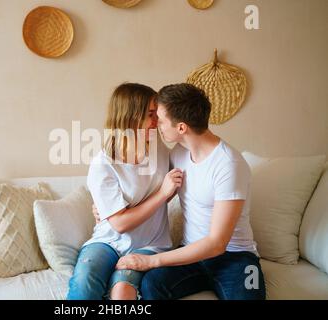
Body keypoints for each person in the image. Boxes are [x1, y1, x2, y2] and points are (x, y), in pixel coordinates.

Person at [114, 83, 266, 300]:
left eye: (161, 119)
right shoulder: (178, 153)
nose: (156, 124)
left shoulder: (229, 164)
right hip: (190, 254)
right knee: (151, 285)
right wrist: (108, 207)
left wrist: (152, 260)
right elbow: (145, 188)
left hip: (236, 258)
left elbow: (217, 243)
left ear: (182, 128)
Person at [67, 83, 183, 300]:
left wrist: (169, 190)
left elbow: (177, 182)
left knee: (123, 289)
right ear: (131, 117)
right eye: (151, 115)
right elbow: (120, 224)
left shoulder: (159, 147)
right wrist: (162, 194)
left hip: (151, 245)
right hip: (107, 242)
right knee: (85, 281)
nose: (157, 122)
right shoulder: (103, 164)